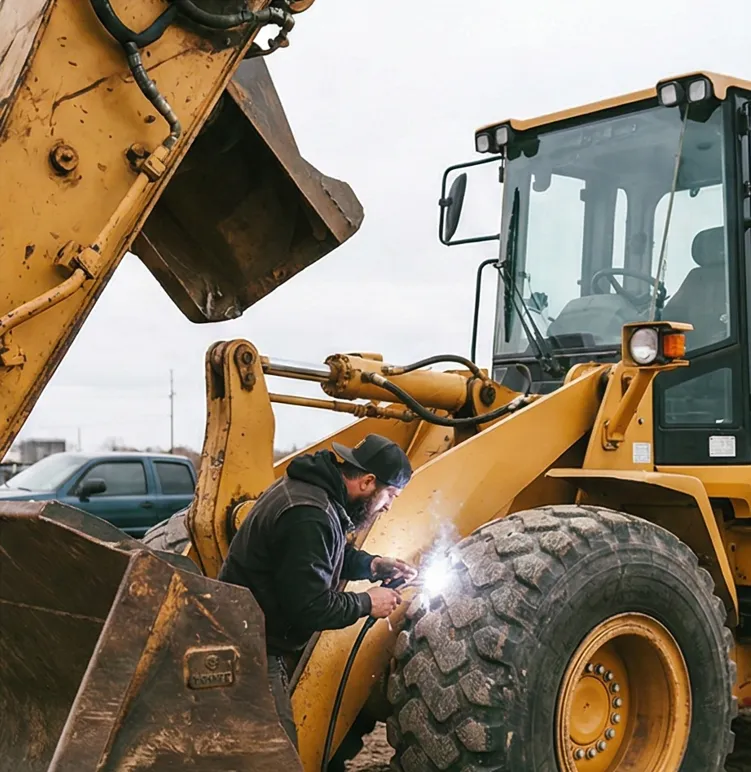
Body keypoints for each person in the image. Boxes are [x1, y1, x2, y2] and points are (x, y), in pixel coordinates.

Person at [217, 434, 418, 748]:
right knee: (275, 755)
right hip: (252, 649)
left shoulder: (312, 494)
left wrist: (374, 565)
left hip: (252, 634)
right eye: (390, 495)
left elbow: (321, 556)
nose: (388, 507)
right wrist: (367, 602)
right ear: (367, 482)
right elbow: (310, 606)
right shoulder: (309, 514)